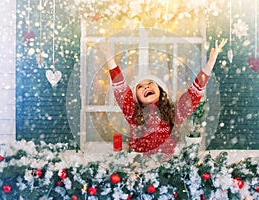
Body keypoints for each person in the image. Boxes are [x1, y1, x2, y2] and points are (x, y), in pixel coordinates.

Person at [97, 39, 227, 159]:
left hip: (166, 168)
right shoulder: (133, 112)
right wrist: (109, 57)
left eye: (150, 83)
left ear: (160, 90)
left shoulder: (174, 112)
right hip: (140, 167)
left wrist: (210, 63)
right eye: (140, 87)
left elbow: (195, 91)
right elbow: (120, 88)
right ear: (136, 98)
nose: (146, 86)